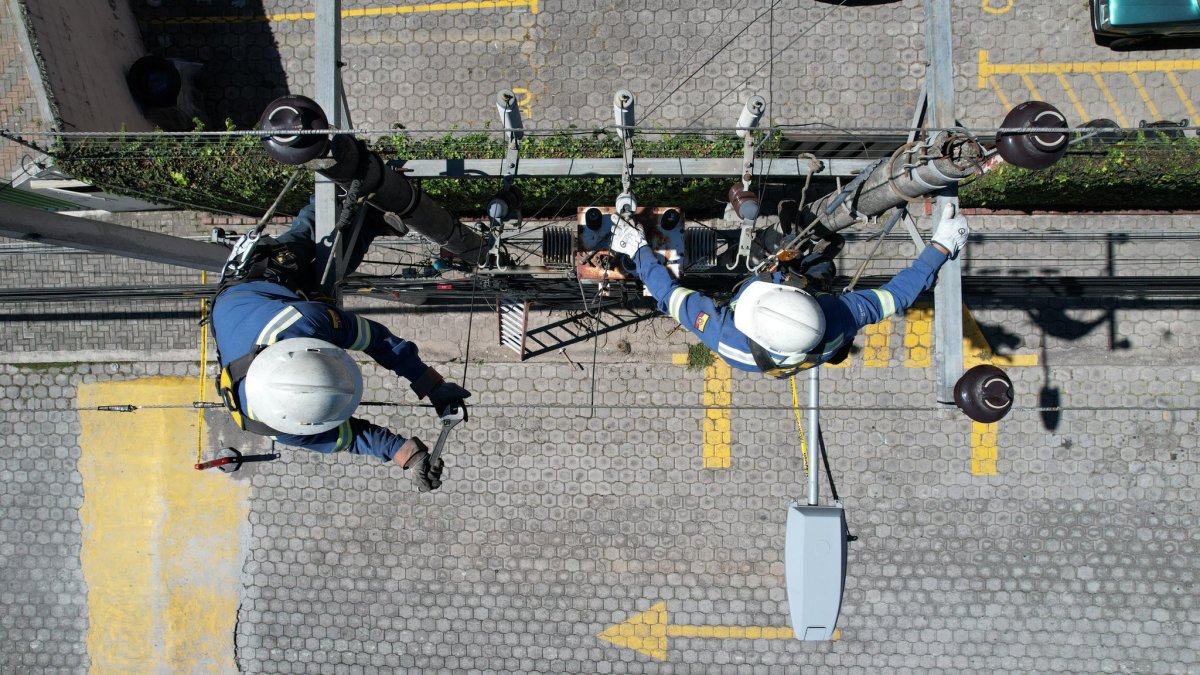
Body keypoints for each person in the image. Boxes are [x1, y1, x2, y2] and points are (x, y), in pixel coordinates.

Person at [209, 199, 470, 491]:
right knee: (334, 276)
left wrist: (430, 384)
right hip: (253, 319)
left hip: (255, 283)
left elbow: (379, 341)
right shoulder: (279, 425)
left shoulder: (306, 321)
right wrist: (409, 456)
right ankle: (371, 218)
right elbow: (353, 438)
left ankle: (335, 190)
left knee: (309, 239)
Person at [609, 204, 971, 377]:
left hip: (780, 351)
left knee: (775, 256)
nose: (778, 279)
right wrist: (941, 247)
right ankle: (806, 258)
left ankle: (781, 249)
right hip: (800, 345)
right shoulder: (838, 318)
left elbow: (670, 296)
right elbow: (895, 296)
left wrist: (638, 250)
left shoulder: (727, 336)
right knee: (821, 267)